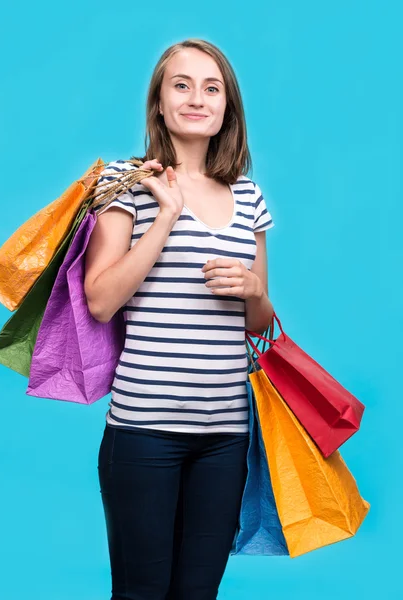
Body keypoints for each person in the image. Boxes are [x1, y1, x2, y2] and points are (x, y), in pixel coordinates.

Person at [84, 38, 275, 600]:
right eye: (182, 85)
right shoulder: (126, 183)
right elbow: (101, 300)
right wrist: (165, 215)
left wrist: (254, 290)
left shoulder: (249, 196)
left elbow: (258, 324)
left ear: (227, 108)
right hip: (143, 430)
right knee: (142, 592)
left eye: (211, 88)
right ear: (160, 102)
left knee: (198, 593)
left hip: (224, 436)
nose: (197, 98)